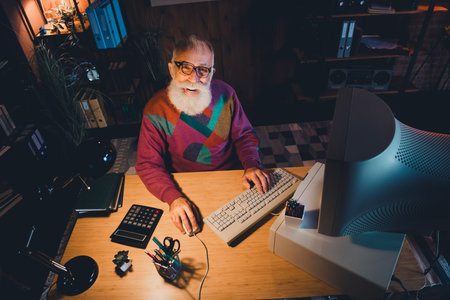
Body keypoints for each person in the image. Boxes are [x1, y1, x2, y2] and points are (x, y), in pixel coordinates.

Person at [135, 35, 273, 234]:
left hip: (233, 179)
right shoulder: (155, 109)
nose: (194, 78)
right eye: (185, 67)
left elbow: (243, 136)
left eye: (203, 69)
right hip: (185, 186)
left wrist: (251, 165)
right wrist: (173, 197)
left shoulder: (226, 94)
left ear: (212, 73)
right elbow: (148, 164)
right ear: (172, 69)